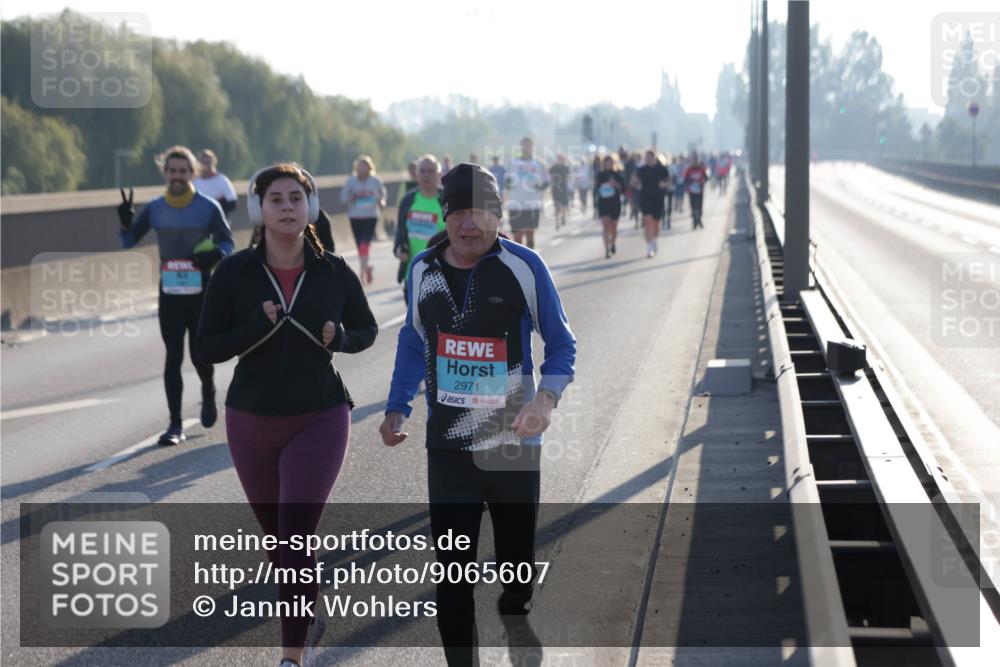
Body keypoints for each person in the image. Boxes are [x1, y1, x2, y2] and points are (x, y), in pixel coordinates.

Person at [379, 163, 576, 666]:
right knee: (452, 574)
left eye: (481, 212)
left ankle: (516, 605)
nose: (470, 224)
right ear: (444, 217)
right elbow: (412, 339)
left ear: (498, 214)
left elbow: (560, 344)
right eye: (459, 212)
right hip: (448, 446)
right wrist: (398, 405)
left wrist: (544, 402)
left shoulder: (524, 266)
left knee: (516, 566)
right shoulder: (423, 270)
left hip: (511, 441)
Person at [197, 163, 377, 667]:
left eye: (296, 197)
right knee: (281, 544)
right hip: (250, 420)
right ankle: (309, 616)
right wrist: (252, 327)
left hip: (319, 416)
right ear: (258, 209)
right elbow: (207, 347)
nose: (287, 207)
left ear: (311, 206)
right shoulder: (233, 273)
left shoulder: (333, 270)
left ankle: (291, 656)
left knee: (295, 534)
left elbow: (366, 329)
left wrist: (339, 339)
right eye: (275, 199)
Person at [117, 145, 235, 446]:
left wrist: (215, 256)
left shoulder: (208, 207)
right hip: (170, 291)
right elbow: (129, 242)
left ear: (192, 173)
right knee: (173, 357)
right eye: (172, 171)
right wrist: (125, 221)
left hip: (201, 290)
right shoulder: (156, 207)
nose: (177, 176)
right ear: (165, 173)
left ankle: (208, 390)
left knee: (199, 355)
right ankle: (175, 425)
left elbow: (228, 243)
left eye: (183, 171)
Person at [394, 154, 444, 297]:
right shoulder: (407, 201)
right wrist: (399, 249)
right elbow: (400, 233)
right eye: (422, 171)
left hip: (441, 275)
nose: (426, 175)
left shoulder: (446, 200)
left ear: (438, 175)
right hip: (412, 273)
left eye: (431, 171)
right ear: (416, 175)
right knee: (414, 320)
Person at [340, 155, 386, 284]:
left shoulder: (375, 181)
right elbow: (343, 198)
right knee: (359, 245)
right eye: (359, 167)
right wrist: (352, 198)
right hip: (355, 216)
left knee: (364, 243)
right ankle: (366, 267)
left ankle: (362, 270)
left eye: (364, 167)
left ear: (369, 168)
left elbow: (382, 195)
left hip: (371, 216)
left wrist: (382, 202)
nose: (361, 169)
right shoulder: (351, 182)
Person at [505, 137, 549, 249]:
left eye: (528, 146)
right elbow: (506, 182)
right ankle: (519, 264)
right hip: (516, 204)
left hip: (532, 204)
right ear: (521, 147)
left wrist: (540, 187)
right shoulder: (513, 163)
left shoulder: (539, 164)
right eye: (523, 146)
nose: (526, 148)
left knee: (530, 235)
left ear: (532, 147)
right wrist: (508, 184)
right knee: (517, 236)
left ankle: (529, 262)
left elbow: (547, 182)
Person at [632, 150, 671, 258]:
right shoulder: (642, 170)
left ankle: (654, 240)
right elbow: (634, 182)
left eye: (650, 157)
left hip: (658, 198)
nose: (648, 159)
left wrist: (664, 184)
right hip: (645, 198)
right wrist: (636, 184)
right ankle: (649, 247)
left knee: (656, 223)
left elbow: (669, 181)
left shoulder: (661, 169)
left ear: (654, 158)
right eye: (647, 157)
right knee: (647, 220)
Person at [595, 154, 626, 259]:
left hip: (615, 202)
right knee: (605, 226)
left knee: (614, 226)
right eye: (607, 162)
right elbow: (596, 188)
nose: (609, 164)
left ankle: (612, 242)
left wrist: (615, 184)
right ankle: (606, 249)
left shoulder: (618, 174)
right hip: (603, 203)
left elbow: (623, 188)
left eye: (611, 162)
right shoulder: (600, 175)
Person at [193, 148, 239, 216]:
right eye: (203, 163)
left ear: (214, 163)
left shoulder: (222, 180)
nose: (205, 165)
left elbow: (233, 203)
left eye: (208, 163)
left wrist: (216, 211)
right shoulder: (194, 182)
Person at [683, 152, 709, 229]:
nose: (694, 162)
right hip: (691, 191)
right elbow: (685, 179)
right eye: (693, 161)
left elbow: (706, 178)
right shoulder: (689, 169)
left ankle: (699, 219)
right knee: (693, 206)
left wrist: (702, 181)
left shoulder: (701, 169)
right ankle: (695, 221)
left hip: (699, 190)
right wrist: (690, 181)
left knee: (699, 206)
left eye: (695, 160)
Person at [548, 154, 571, 229]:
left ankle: (563, 217)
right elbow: (550, 175)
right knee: (556, 205)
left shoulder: (565, 167)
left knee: (563, 204)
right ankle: (557, 221)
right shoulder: (554, 167)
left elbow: (568, 177)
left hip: (563, 188)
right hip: (555, 188)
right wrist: (551, 185)